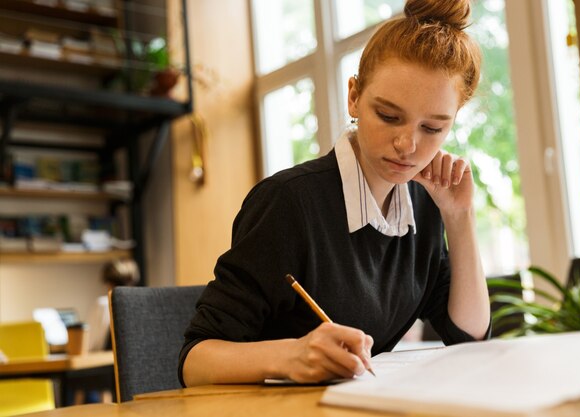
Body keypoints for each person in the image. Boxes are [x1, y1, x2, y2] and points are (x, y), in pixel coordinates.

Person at [180, 0, 491, 386]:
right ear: (354, 97)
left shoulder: (424, 204)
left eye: (432, 129)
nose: (407, 145)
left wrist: (460, 218)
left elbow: (467, 337)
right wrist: (291, 355)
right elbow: (194, 360)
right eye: (389, 116)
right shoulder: (288, 202)